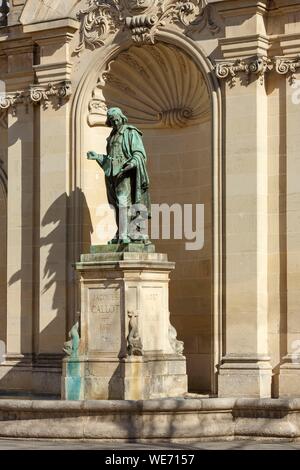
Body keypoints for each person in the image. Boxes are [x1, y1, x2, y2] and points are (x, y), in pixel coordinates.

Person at [87, 107, 151, 244]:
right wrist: (98, 157)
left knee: (123, 203)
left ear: (122, 118)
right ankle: (122, 233)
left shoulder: (130, 132)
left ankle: (124, 235)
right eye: (112, 121)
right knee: (117, 205)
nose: (115, 123)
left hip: (126, 174)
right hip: (112, 177)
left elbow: (139, 153)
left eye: (116, 120)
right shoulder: (111, 137)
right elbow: (110, 160)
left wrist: (131, 164)